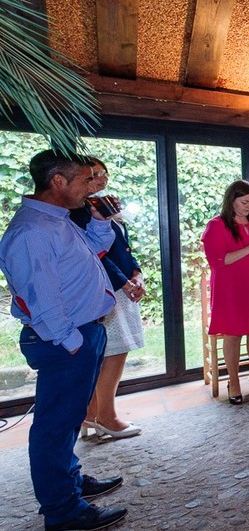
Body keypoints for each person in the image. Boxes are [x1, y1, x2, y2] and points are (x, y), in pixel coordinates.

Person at [0, 150, 126, 531]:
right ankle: (62, 510)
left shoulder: (56, 219)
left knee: (69, 418)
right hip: (64, 339)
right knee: (54, 425)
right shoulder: (32, 231)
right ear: (58, 181)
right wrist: (71, 342)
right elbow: (41, 297)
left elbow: (93, 251)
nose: (94, 186)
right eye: (87, 179)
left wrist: (102, 221)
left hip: (82, 332)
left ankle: (68, 479)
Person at [71, 158, 146, 439]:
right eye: (94, 175)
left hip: (123, 286)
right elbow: (95, 255)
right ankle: (105, 416)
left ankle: (91, 416)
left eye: (103, 174)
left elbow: (122, 248)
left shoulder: (105, 206)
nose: (101, 179)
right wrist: (123, 282)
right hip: (104, 289)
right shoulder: (78, 211)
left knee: (111, 352)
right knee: (110, 353)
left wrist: (137, 273)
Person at [201, 180, 249, 404]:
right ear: (231, 199)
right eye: (244, 202)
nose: (248, 206)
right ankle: (233, 381)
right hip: (229, 288)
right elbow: (218, 261)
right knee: (233, 334)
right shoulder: (216, 225)